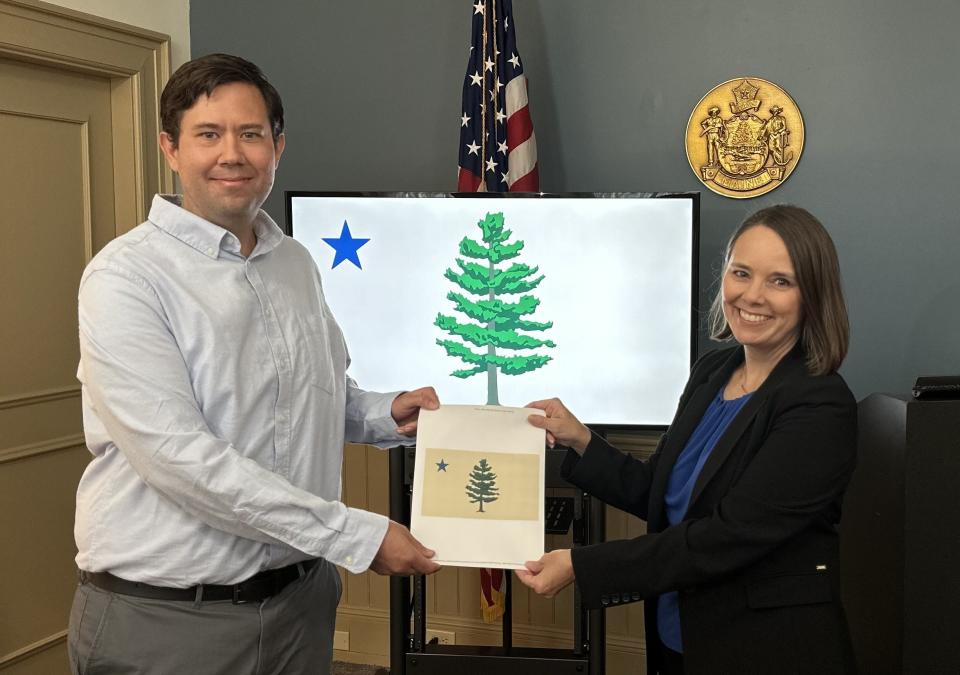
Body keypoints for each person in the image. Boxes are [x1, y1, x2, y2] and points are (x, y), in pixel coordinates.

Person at [67, 53, 440, 675]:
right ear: (170, 147)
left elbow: (312, 393)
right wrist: (358, 537)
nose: (231, 153)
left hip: (300, 605)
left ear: (278, 145)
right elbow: (179, 458)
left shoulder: (293, 262)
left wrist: (384, 413)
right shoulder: (126, 278)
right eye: (208, 134)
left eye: (251, 134)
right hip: (172, 623)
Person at [518, 205, 858, 675]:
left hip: (766, 649)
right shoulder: (711, 373)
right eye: (741, 273)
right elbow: (659, 491)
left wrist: (582, 564)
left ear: (812, 296)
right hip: (679, 635)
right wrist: (580, 439)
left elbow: (724, 537)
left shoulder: (821, 404)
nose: (753, 295)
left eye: (780, 281)